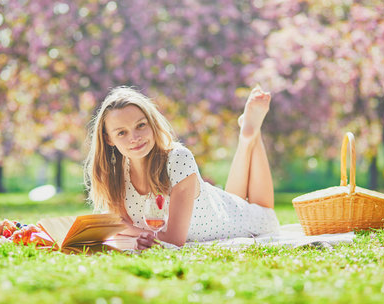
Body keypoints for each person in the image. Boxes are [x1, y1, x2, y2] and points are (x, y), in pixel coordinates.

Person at [84, 86, 279, 250]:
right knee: (232, 200)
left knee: (265, 213)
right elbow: (119, 226)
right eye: (121, 133)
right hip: (219, 207)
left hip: (242, 221)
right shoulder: (115, 175)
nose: (134, 137)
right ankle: (246, 136)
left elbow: (174, 240)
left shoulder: (178, 158)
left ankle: (252, 136)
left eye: (141, 125)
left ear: (152, 124)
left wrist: (131, 231)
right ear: (108, 139)